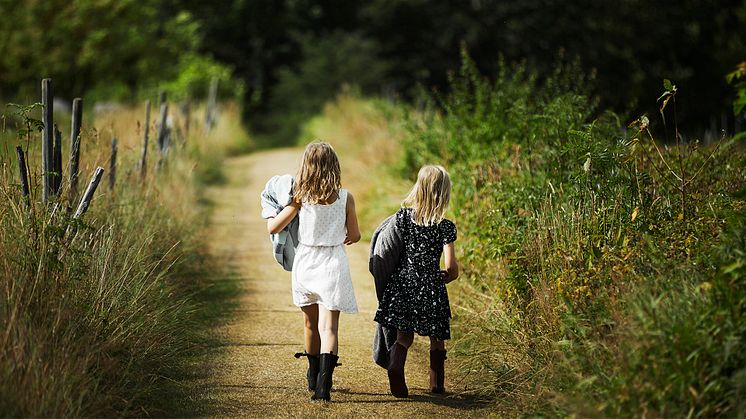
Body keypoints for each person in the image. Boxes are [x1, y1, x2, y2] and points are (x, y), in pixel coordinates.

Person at [266, 141, 360, 401]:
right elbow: (355, 234)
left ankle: (312, 372)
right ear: (334, 167)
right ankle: (323, 385)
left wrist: (286, 210)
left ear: (306, 167)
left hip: (306, 262)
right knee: (329, 328)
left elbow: (273, 228)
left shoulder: (300, 197)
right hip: (333, 263)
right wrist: (342, 235)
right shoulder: (345, 197)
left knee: (310, 324)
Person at [373, 165, 459, 398]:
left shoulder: (402, 218)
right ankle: (436, 385)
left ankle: (396, 366)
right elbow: (451, 267)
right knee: (437, 339)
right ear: (444, 193)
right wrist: (446, 276)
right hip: (431, 287)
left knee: (404, 336)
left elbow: (392, 250)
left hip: (403, 285)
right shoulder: (446, 226)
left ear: (418, 188)